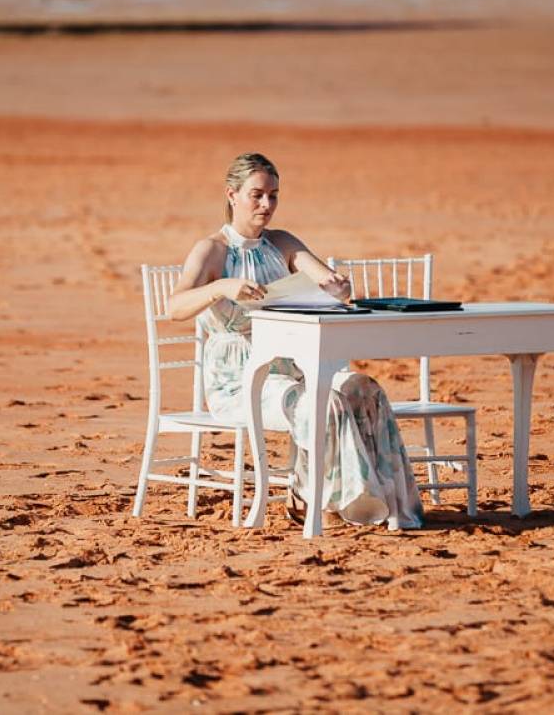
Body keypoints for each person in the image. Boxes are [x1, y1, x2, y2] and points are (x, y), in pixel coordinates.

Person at [168, 152, 424, 529]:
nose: (267, 204)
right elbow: (175, 307)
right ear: (231, 194)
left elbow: (324, 278)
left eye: (273, 195)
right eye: (256, 195)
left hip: (298, 365)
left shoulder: (282, 242)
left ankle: (386, 503)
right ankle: (322, 502)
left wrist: (337, 286)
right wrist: (222, 285)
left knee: (363, 388)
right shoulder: (211, 250)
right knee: (322, 402)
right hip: (241, 380)